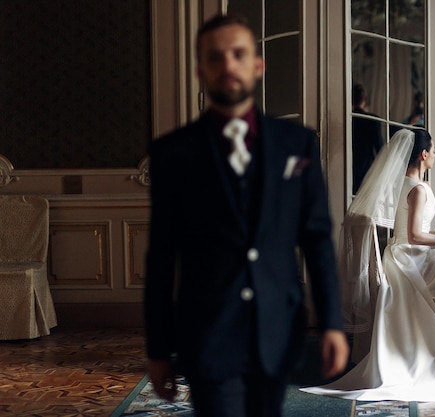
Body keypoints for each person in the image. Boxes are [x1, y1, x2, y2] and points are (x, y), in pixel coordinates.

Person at [143, 13, 349, 417]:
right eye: (216, 57)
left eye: (238, 54)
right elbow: (162, 257)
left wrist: (332, 324)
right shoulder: (174, 152)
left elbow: (317, 241)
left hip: (277, 327)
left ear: (258, 65)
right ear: (201, 69)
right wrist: (157, 348)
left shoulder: (297, 143)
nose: (228, 65)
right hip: (207, 332)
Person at [301, 128, 435, 402]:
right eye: (434, 151)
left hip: (402, 255)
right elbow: (417, 236)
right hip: (414, 261)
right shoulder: (418, 189)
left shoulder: (401, 184)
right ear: (423, 154)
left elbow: (412, 231)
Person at [352, 84, 384, 194]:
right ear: (365, 99)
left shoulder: (348, 119)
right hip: (367, 167)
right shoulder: (372, 120)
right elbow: (379, 148)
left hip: (348, 165)